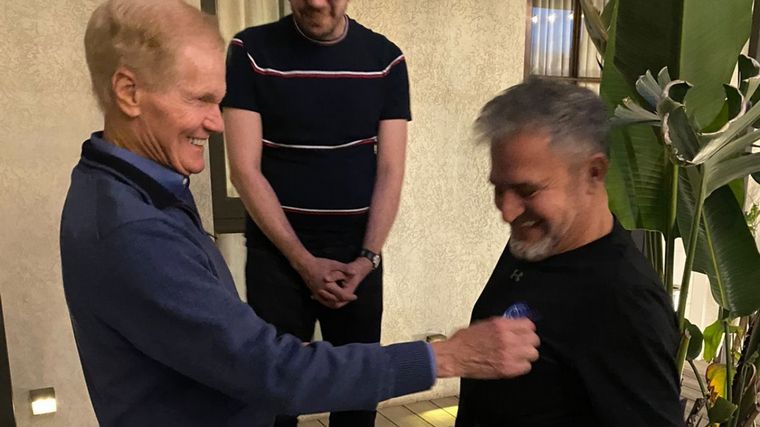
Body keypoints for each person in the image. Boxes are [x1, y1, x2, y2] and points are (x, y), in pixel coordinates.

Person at [60, 1, 541, 426]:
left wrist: (366, 258)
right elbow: (273, 373)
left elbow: (239, 355)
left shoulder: (135, 190)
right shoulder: (134, 229)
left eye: (218, 101)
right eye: (200, 100)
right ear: (129, 92)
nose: (216, 123)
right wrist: (446, 356)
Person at [221, 1, 411, 425]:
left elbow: (390, 170)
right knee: (274, 396)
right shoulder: (250, 51)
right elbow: (244, 170)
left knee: (357, 395)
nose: (315, 2)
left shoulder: (386, 60)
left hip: (357, 255)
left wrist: (367, 258)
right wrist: (301, 260)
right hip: (277, 255)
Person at [455, 78, 684, 427]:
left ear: (593, 173)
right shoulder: (537, 242)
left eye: (527, 191)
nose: (508, 212)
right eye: (499, 189)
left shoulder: (624, 302)